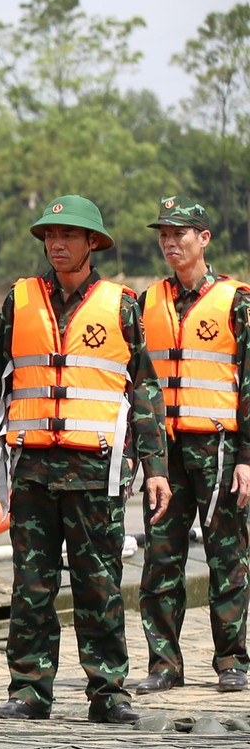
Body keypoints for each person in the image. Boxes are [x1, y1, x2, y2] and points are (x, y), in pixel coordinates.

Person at [0, 195, 170, 723]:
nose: (56, 244)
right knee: (30, 588)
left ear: (92, 243)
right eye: (49, 236)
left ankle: (108, 693)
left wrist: (157, 470)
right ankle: (29, 691)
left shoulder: (123, 305)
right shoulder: (19, 301)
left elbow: (145, 394)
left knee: (99, 586)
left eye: (68, 235)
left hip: (96, 475)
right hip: (33, 470)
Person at [134, 197, 250, 693]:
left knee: (228, 555)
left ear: (203, 238)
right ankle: (164, 664)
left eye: (180, 233)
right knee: (162, 557)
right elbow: (137, 385)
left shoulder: (238, 301)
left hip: (219, 449)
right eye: (163, 233)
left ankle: (231, 662)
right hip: (164, 454)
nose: (169, 242)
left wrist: (247, 457)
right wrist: (144, 456)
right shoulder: (143, 303)